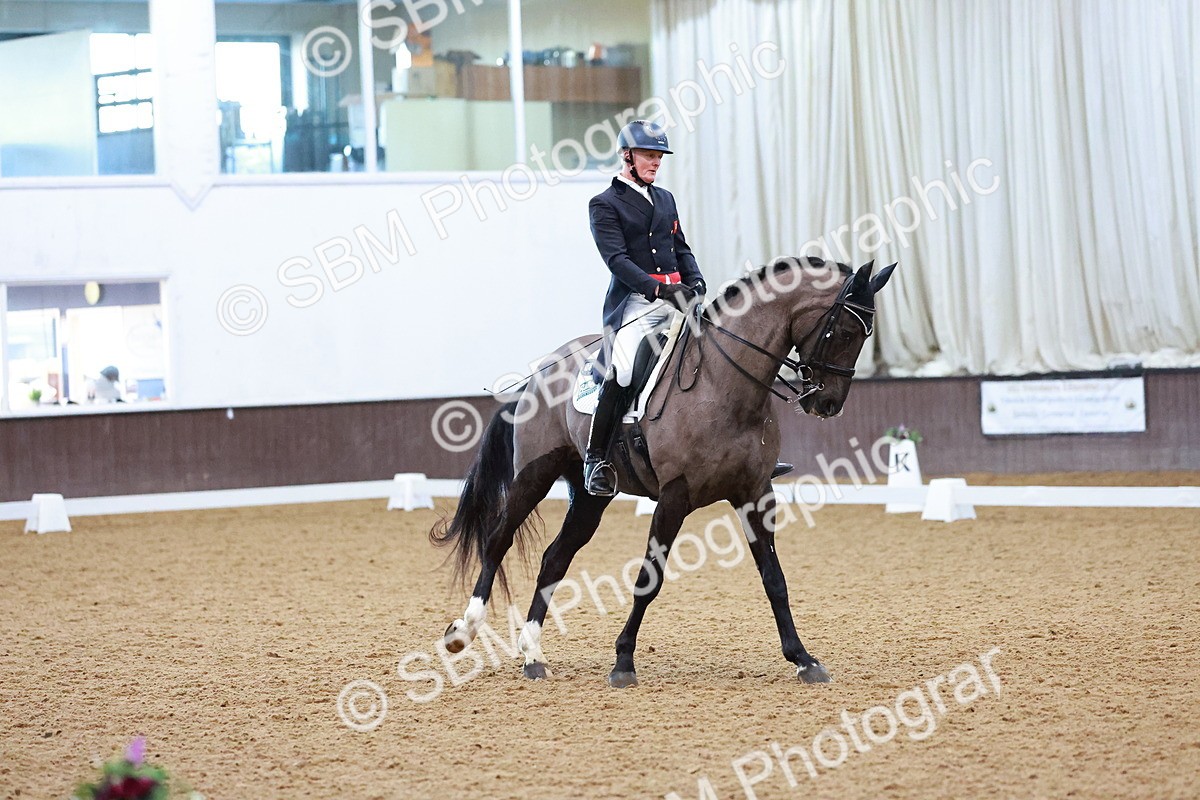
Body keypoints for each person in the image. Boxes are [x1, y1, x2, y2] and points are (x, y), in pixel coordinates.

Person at [584, 119, 706, 496]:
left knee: (722, 351)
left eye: (658, 157)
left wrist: (696, 281)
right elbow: (617, 261)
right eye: (648, 156)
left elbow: (680, 247)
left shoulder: (665, 198)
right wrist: (660, 292)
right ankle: (595, 458)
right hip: (636, 304)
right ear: (627, 156)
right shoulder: (604, 204)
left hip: (677, 298)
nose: (655, 162)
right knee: (621, 372)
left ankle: (742, 449)